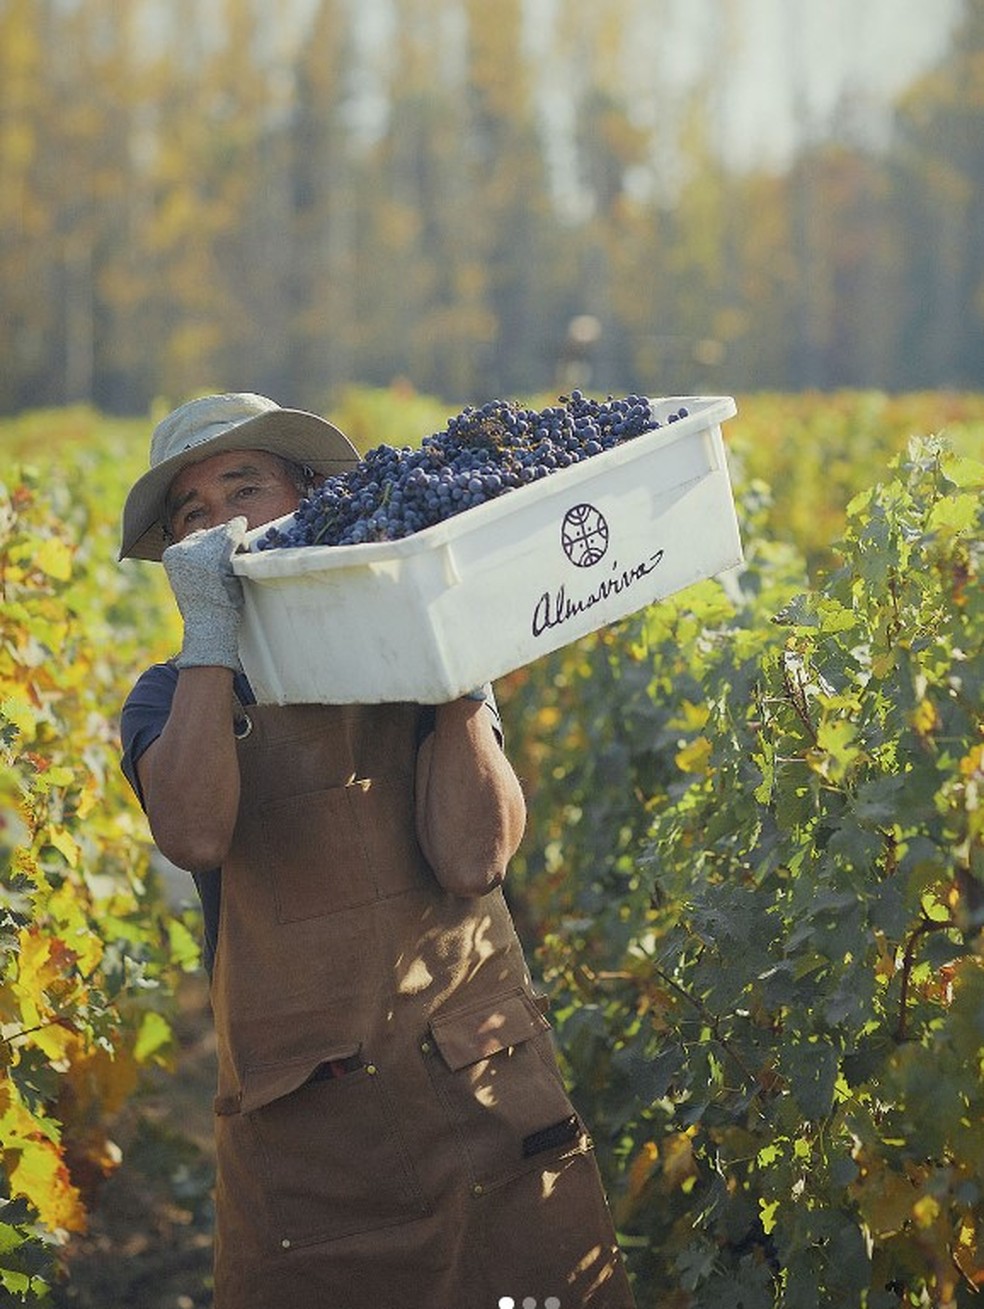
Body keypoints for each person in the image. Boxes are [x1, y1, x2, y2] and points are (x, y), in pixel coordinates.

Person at [118, 392, 636, 1309]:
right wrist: (211, 640)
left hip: (483, 1101)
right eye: (193, 516)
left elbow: (475, 858)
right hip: (313, 1145)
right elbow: (193, 832)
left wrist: (453, 666)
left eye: (247, 489)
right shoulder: (172, 696)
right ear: (180, 562)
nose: (225, 525)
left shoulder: (418, 660)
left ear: (313, 500)